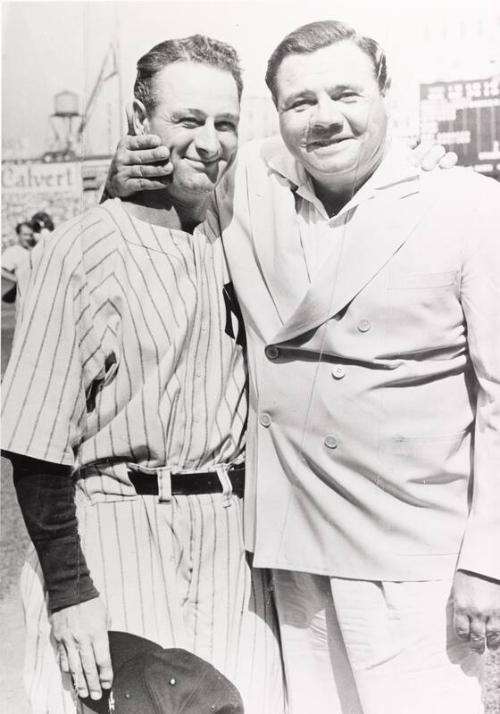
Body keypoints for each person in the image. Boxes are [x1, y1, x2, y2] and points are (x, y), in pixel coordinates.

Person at [106, 19, 500, 714]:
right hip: (293, 545)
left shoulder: (467, 206)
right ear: (277, 113)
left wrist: (487, 562)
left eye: (345, 93)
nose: (325, 119)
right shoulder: (245, 178)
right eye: (300, 103)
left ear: (385, 93)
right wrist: (120, 181)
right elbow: (141, 247)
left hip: (415, 557)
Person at [1, 35, 284, 714]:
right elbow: (36, 447)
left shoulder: (237, 232)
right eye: (186, 120)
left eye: (224, 123)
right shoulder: (79, 248)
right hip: (115, 531)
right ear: (137, 120)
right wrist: (70, 594)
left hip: (228, 541)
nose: (209, 142)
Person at [1, 221, 36, 302]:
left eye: (30, 235)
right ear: (18, 235)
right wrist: (19, 280)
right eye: (25, 235)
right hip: (24, 297)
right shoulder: (13, 251)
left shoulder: (36, 249)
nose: (28, 238)